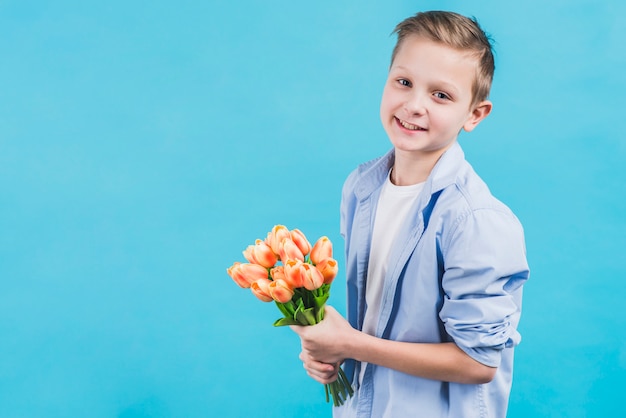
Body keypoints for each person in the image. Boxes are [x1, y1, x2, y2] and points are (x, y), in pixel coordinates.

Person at [290, 10, 530, 418]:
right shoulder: (361, 188)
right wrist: (328, 354)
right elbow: (375, 318)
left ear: (475, 114)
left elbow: (479, 363)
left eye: (441, 95)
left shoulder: (476, 221)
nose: (414, 105)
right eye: (404, 82)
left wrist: (349, 344)